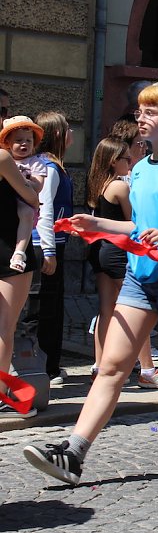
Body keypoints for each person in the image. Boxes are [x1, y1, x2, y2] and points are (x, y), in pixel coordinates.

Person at [22, 82, 158, 485]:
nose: (141, 118)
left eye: (151, 112)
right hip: (138, 277)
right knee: (112, 366)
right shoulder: (140, 168)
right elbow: (138, 226)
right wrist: (98, 225)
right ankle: (73, 453)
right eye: (140, 111)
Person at [85, 135, 158, 389]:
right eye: (126, 158)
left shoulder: (98, 184)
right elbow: (134, 222)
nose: (131, 161)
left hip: (102, 251)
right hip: (118, 252)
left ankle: (99, 366)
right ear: (114, 161)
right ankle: (148, 370)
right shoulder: (120, 187)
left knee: (106, 310)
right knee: (140, 307)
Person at [29, 112, 75, 385]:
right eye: (68, 128)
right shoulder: (50, 168)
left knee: (52, 305)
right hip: (45, 245)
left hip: (53, 242)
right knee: (45, 307)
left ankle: (50, 364)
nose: (72, 133)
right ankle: (46, 367)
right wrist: (48, 251)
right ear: (58, 133)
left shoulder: (53, 165)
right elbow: (44, 209)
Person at [0, 144, 39, 417]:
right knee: (4, 327)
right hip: (10, 248)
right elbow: (32, 198)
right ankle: (1, 393)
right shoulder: (2, 158)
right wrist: (29, 183)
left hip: (10, 248)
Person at [0, 116, 46, 273]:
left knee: (26, 214)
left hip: (24, 202)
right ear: (7, 143)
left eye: (28, 140)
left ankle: (19, 253)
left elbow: (37, 187)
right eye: (19, 140)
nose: (24, 143)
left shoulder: (36, 163)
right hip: (8, 201)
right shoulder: (6, 161)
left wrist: (19, 180)